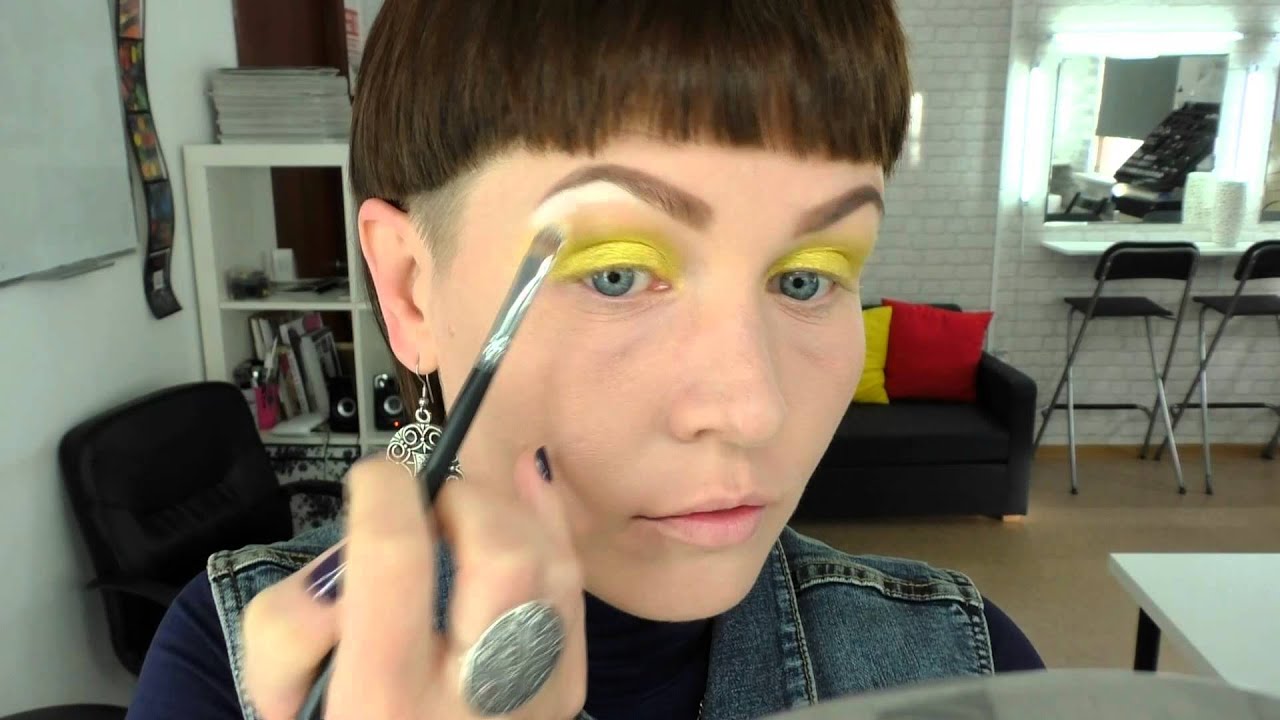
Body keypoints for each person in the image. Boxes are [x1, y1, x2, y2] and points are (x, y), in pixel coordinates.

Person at [128, 2, 1044, 718]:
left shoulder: (967, 672)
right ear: (409, 291)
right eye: (615, 274)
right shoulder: (229, 672)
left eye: (806, 279)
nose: (751, 408)